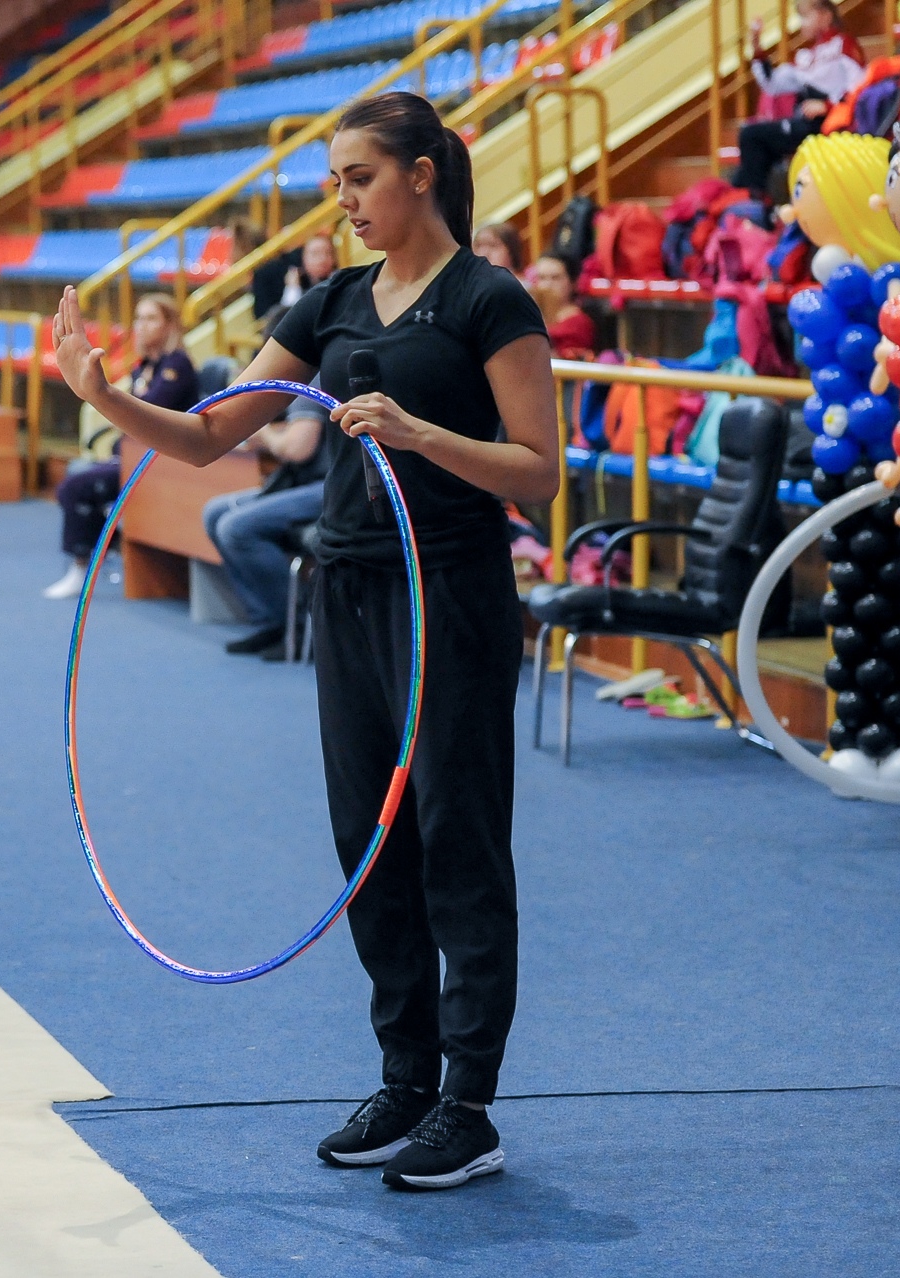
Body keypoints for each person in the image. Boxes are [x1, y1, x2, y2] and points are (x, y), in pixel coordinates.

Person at [50, 91, 557, 1191]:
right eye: (334, 181)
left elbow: (539, 469)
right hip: (353, 595)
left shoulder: (490, 300)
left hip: (452, 594)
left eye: (360, 177)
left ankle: (469, 1102)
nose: (343, 200)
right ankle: (406, 1075)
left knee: (457, 839)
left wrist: (419, 431)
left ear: (422, 174)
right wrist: (106, 396)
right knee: (369, 844)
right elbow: (204, 435)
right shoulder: (331, 301)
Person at [43, 294, 201, 600]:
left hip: (162, 463)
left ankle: (82, 566)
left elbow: (150, 410)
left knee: (75, 486)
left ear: (170, 325)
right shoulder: (144, 366)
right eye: (138, 318)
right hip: (132, 454)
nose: (141, 326)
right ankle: (102, 548)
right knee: (73, 480)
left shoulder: (177, 365)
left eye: (151, 319)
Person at [201, 392, 328, 657]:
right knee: (214, 513)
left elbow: (298, 448)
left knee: (235, 528)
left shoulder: (314, 378)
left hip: (330, 486)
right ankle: (271, 623)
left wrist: (264, 434)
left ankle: (298, 627)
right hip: (303, 481)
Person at [733, 0, 864, 197]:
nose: (801, 23)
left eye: (805, 16)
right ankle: (754, 200)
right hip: (803, 121)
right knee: (753, 138)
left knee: (752, 136)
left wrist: (828, 105)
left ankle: (755, 203)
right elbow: (773, 84)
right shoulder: (806, 56)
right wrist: (757, 47)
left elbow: (859, 85)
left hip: (826, 122)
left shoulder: (843, 45)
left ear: (825, 15)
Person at [531, 254, 598, 359]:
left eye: (555, 278)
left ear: (573, 282)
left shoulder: (580, 323)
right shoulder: (530, 314)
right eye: (542, 278)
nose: (547, 285)